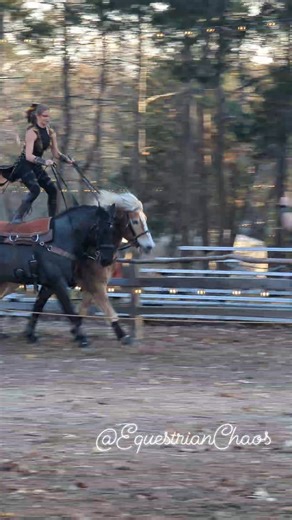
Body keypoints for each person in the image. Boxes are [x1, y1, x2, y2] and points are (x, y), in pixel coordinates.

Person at [9, 103, 73, 223]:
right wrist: (44, 161)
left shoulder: (51, 132)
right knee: (35, 189)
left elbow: (56, 154)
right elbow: (28, 156)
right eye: (45, 116)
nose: (47, 118)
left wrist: (67, 160)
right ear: (38, 116)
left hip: (36, 166)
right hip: (24, 166)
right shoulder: (31, 132)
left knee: (52, 190)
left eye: (49, 116)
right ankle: (17, 217)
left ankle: (52, 220)